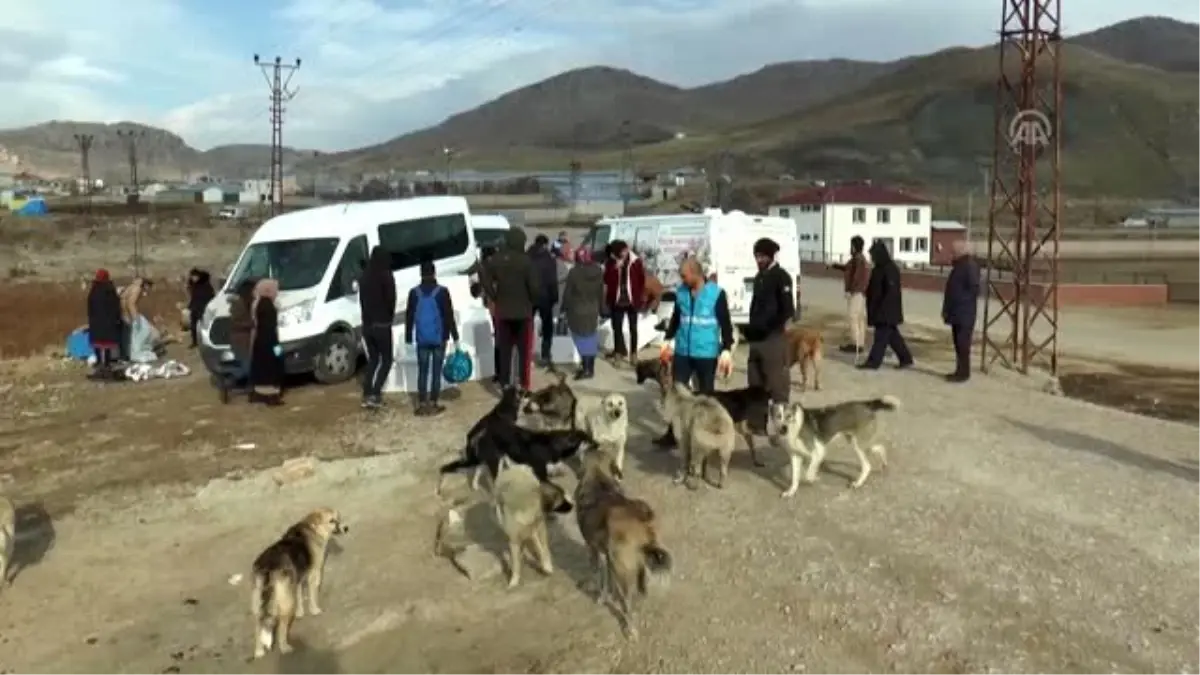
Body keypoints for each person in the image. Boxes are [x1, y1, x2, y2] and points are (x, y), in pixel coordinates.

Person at [659, 256, 735, 394]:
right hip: (682, 352)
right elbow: (676, 318)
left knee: (705, 395)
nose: (682, 280)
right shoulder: (681, 292)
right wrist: (667, 339)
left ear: (695, 273)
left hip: (706, 354)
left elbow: (725, 323)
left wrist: (727, 348)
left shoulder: (716, 294)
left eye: (684, 276)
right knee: (677, 392)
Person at [744, 237, 796, 432]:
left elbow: (787, 310)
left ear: (771, 256)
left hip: (773, 339)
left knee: (777, 385)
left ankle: (783, 427)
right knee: (755, 383)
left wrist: (769, 327)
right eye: (756, 256)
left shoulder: (781, 277)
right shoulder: (759, 277)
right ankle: (757, 424)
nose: (758, 260)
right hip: (756, 339)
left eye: (762, 256)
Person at [480, 228, 539, 389]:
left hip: (503, 311)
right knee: (524, 353)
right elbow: (534, 288)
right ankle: (524, 384)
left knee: (504, 351)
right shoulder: (527, 261)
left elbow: (483, 274)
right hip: (523, 313)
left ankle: (505, 384)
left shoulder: (496, 260)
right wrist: (533, 301)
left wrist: (494, 295)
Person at [404, 260, 460, 415]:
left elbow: (409, 316)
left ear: (421, 274)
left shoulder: (414, 293)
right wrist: (454, 336)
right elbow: (449, 315)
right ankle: (434, 403)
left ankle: (422, 403)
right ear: (434, 273)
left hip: (422, 338)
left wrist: (408, 338)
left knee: (422, 371)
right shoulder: (442, 292)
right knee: (436, 371)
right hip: (439, 338)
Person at [860, 240, 914, 370]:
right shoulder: (879, 268)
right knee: (893, 337)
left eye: (873, 255)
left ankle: (873, 362)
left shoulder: (890, 269)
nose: (871, 258)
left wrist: (882, 310)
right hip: (880, 309)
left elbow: (891, 292)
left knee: (880, 338)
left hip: (886, 311)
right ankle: (906, 358)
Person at [358, 246, 397, 409]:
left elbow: (362, 302)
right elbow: (391, 299)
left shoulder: (364, 276)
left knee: (373, 359)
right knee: (387, 360)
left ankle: (367, 393)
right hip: (382, 324)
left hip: (367, 325)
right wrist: (389, 316)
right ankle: (375, 393)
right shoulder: (386, 275)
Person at [560, 247, 605, 380]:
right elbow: (601, 292)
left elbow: (568, 293)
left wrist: (563, 308)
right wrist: (602, 309)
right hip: (592, 309)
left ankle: (585, 368)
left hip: (577, 310)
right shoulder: (598, 271)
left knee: (580, 339)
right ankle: (590, 367)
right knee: (590, 337)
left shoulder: (574, 272)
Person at [941, 239, 981, 383]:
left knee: (963, 344)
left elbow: (974, 288)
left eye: (954, 251)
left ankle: (964, 373)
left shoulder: (969, 266)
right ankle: (959, 370)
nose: (951, 254)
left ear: (961, 252)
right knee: (958, 344)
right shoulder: (959, 266)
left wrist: (961, 302)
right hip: (956, 312)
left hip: (964, 312)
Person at [602, 240, 646, 364]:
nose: (625, 252)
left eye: (626, 250)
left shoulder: (635, 261)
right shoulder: (611, 263)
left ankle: (633, 354)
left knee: (633, 328)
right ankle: (618, 353)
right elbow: (606, 280)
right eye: (622, 251)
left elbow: (641, 279)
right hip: (617, 300)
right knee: (617, 328)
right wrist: (615, 268)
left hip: (632, 300)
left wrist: (640, 295)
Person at [831, 236, 870, 358]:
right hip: (861, 293)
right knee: (859, 318)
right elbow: (847, 268)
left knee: (853, 317)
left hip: (856, 293)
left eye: (851, 245)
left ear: (854, 246)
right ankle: (859, 343)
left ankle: (856, 344)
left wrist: (850, 290)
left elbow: (856, 277)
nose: (850, 248)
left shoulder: (858, 260)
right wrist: (835, 265)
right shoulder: (859, 259)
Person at [249, 279, 284, 406]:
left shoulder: (257, 303)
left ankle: (258, 394)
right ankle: (271, 396)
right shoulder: (267, 305)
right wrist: (277, 347)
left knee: (261, 367)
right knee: (273, 365)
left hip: (260, 341)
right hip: (270, 341)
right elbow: (270, 326)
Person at [528, 234, 560, 367]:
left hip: (529, 296)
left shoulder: (527, 257)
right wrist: (555, 297)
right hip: (545, 297)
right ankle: (545, 354)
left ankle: (526, 353)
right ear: (546, 245)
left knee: (527, 326)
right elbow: (553, 281)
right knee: (547, 326)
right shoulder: (549, 259)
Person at [86, 269, 122, 378]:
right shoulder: (110, 290)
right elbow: (116, 306)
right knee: (106, 345)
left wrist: (91, 319)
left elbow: (89, 307)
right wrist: (117, 319)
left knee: (97, 343)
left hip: (96, 321)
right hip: (108, 322)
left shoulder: (93, 290)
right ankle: (106, 364)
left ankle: (98, 363)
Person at [227, 278, 257, 387]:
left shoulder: (248, 302)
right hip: (240, 340)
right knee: (247, 368)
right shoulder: (238, 304)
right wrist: (251, 324)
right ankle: (229, 378)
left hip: (247, 339)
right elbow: (235, 323)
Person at [118, 277, 151, 362]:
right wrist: (136, 318)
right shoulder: (137, 289)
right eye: (148, 287)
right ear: (146, 285)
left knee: (126, 335)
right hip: (127, 314)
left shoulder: (131, 287)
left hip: (122, 313)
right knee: (128, 335)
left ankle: (124, 355)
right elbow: (131, 303)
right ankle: (126, 356)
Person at [186, 268, 215, 349]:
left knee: (205, 325)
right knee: (193, 326)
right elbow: (193, 296)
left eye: (195, 277)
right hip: (195, 307)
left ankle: (208, 341)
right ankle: (194, 342)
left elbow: (211, 296)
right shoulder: (193, 285)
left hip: (204, 307)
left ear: (198, 276)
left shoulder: (205, 284)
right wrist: (190, 306)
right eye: (192, 277)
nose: (194, 278)